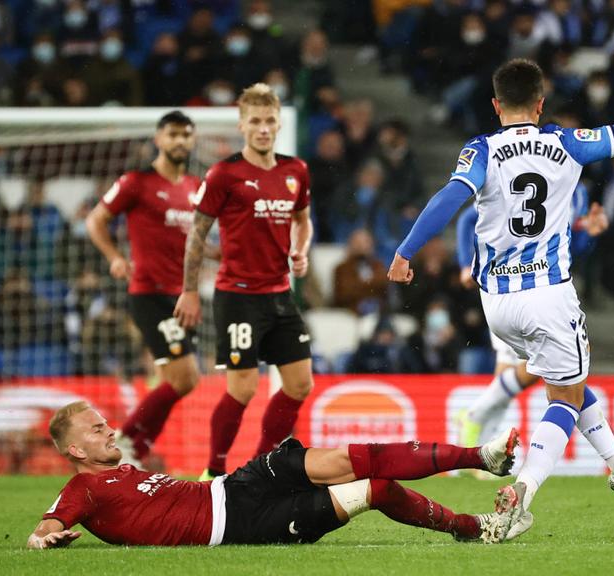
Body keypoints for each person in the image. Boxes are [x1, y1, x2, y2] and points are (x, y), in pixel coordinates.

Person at [388, 31, 614, 540]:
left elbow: (448, 199)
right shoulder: (565, 141)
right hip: (549, 294)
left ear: (495, 103)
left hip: (497, 303)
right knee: (563, 398)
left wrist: (404, 251)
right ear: (541, 104)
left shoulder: (480, 148)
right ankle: (522, 491)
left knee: (566, 383)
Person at [28, 401, 527, 549]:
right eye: (97, 430)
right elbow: (44, 530)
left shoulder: (122, 471)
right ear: (75, 448)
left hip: (238, 486)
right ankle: (475, 528)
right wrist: (43, 541)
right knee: (374, 490)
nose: (111, 430)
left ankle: (479, 456)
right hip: (246, 524)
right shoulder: (81, 489)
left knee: (351, 457)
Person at [452, 174, 614, 491]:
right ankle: (476, 423)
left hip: (543, 290)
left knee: (543, 375)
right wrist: (463, 263)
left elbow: (571, 246)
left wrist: (587, 232)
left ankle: (483, 448)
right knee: (544, 376)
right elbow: (468, 217)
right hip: (513, 289)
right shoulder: (525, 171)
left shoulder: (576, 191)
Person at [174, 84, 314, 480]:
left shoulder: (295, 171)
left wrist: (299, 249)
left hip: (280, 295)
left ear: (278, 123)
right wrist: (188, 290)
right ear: (242, 125)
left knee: (300, 384)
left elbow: (303, 221)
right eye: (255, 121)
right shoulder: (225, 174)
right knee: (243, 388)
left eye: (270, 120)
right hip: (237, 296)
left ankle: (260, 466)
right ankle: (213, 469)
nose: (264, 128)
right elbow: (197, 234)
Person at [85, 111, 204, 467]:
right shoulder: (136, 181)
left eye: (186, 134)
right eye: (173, 134)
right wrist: (114, 257)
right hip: (150, 293)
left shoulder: (195, 187)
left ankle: (133, 449)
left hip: (183, 297)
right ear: (158, 139)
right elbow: (95, 220)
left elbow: (191, 238)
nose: (180, 140)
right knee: (186, 378)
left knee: (172, 379)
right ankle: (129, 442)